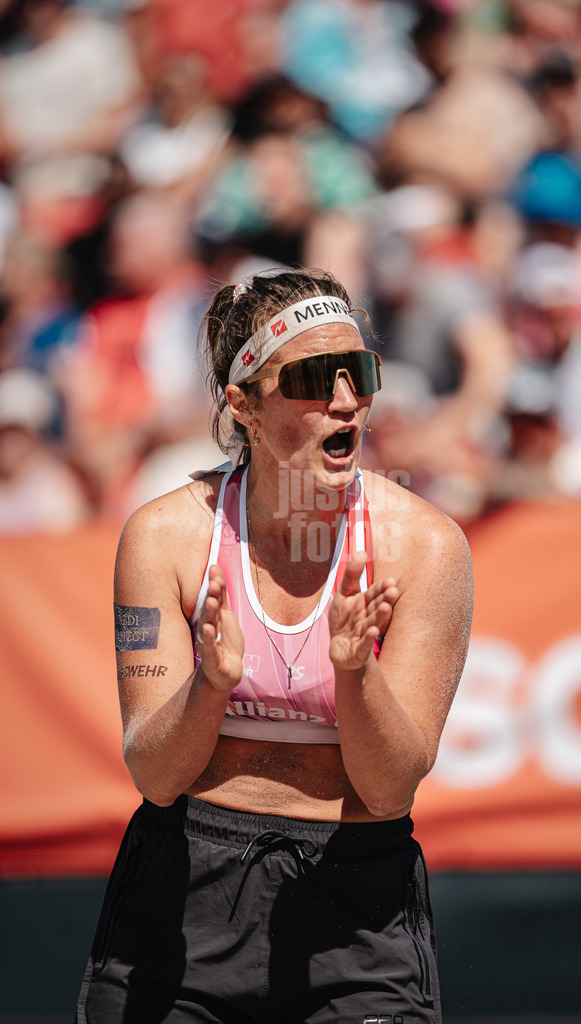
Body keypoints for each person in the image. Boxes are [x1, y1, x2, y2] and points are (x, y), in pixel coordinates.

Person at [76, 267, 473, 1024]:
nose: (348, 400)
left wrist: (354, 676)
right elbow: (155, 777)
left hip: (355, 901)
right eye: (317, 378)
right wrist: (208, 687)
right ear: (244, 405)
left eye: (359, 372)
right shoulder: (166, 536)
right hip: (184, 888)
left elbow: (390, 791)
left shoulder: (423, 545)